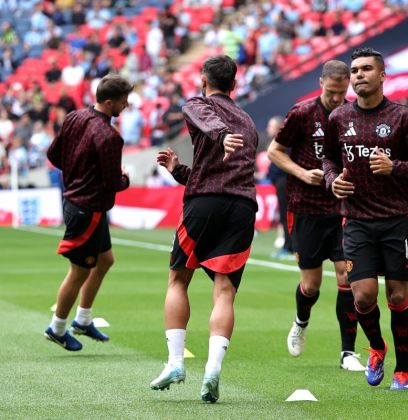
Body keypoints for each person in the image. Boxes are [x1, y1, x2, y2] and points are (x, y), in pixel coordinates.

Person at [322, 48, 408, 390]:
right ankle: (376, 347)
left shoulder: (403, 117)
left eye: (366, 69)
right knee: (362, 297)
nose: (358, 74)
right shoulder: (338, 118)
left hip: (396, 219)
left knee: (399, 297)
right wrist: (332, 180)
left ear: (382, 75)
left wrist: (395, 167)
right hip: (355, 219)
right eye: (355, 70)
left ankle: (403, 370)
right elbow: (328, 158)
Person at [149, 55, 258, 404]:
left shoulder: (197, 103)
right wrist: (180, 170)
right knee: (225, 291)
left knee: (178, 278)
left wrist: (222, 135)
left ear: (203, 79)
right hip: (242, 208)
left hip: (205, 205)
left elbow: (203, 116)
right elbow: (216, 170)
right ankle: (212, 368)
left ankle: (176, 362)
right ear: (235, 84)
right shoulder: (248, 121)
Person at [267, 60, 363, 371]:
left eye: (341, 92)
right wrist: (300, 173)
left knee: (346, 277)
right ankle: (301, 320)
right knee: (310, 286)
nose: (337, 99)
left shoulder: (351, 114)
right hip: (306, 208)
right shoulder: (302, 113)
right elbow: (274, 151)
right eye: (332, 92)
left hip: (342, 209)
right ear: (321, 83)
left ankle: (348, 352)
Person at [44, 74, 133, 351]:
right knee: (79, 272)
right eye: (123, 101)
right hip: (88, 209)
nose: (126, 105)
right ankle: (57, 327)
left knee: (105, 260)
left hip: (80, 202)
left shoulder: (74, 117)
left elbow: (53, 155)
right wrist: (125, 179)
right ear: (109, 102)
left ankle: (82, 320)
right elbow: (111, 182)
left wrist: (77, 173)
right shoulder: (109, 137)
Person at [266, 115, 293, 258]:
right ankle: (288, 246)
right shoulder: (277, 143)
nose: (267, 129)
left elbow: (283, 164)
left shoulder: (285, 143)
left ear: (278, 128)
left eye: (270, 126)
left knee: (286, 216)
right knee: (284, 216)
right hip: (280, 182)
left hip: (285, 182)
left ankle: (289, 248)